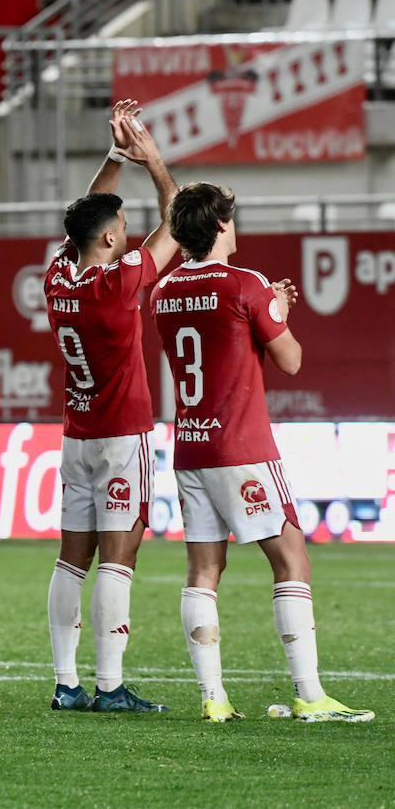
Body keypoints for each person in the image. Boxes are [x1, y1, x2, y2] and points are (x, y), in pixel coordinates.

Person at [151, 182, 374, 723]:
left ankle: (214, 699)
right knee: (292, 558)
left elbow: (215, 344)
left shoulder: (162, 291)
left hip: (191, 446)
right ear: (222, 225)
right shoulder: (245, 284)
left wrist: (262, 315)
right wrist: (277, 314)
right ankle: (310, 694)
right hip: (243, 446)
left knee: (203, 569)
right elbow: (291, 360)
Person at [43, 100, 178, 714]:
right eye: (120, 225)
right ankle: (109, 685)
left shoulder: (58, 277)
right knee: (119, 556)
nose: (126, 230)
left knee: (73, 557)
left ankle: (66, 684)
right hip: (122, 434)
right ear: (108, 239)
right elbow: (177, 222)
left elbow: (86, 220)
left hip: (76, 436)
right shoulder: (120, 282)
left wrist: (113, 161)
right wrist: (151, 161)